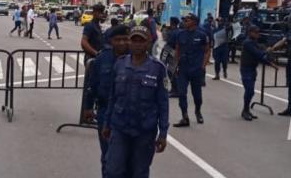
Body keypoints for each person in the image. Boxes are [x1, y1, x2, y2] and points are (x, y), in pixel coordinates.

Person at [101, 26, 169, 178]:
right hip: (120, 127)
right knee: (113, 170)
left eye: (141, 41)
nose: (137, 44)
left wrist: (163, 133)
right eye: (134, 40)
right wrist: (107, 123)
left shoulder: (157, 69)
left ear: (148, 43)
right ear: (129, 42)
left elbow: (163, 103)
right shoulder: (120, 64)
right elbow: (113, 97)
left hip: (144, 131)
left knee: (139, 173)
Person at [83, 24, 130, 177]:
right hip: (104, 113)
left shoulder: (136, 58)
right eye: (118, 39)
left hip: (129, 115)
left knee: (128, 158)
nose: (122, 43)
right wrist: (88, 107)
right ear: (111, 41)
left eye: (125, 39)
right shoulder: (102, 58)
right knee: (108, 155)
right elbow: (92, 84)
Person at [173, 13, 211, 127]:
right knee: (181, 93)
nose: (185, 21)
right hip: (183, 69)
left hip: (196, 69)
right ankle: (185, 117)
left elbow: (207, 50)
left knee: (197, 95)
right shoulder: (180, 34)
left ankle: (198, 111)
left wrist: (203, 65)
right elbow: (177, 51)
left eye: (187, 20)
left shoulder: (202, 35)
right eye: (185, 20)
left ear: (194, 22)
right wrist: (174, 66)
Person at [240, 25, 276, 120]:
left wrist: (270, 64)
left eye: (258, 32)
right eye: (255, 32)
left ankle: (246, 110)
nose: (258, 34)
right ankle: (245, 110)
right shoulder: (247, 43)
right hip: (246, 69)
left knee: (250, 91)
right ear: (250, 32)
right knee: (249, 90)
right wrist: (266, 51)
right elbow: (258, 53)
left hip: (252, 69)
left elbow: (260, 57)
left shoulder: (254, 42)